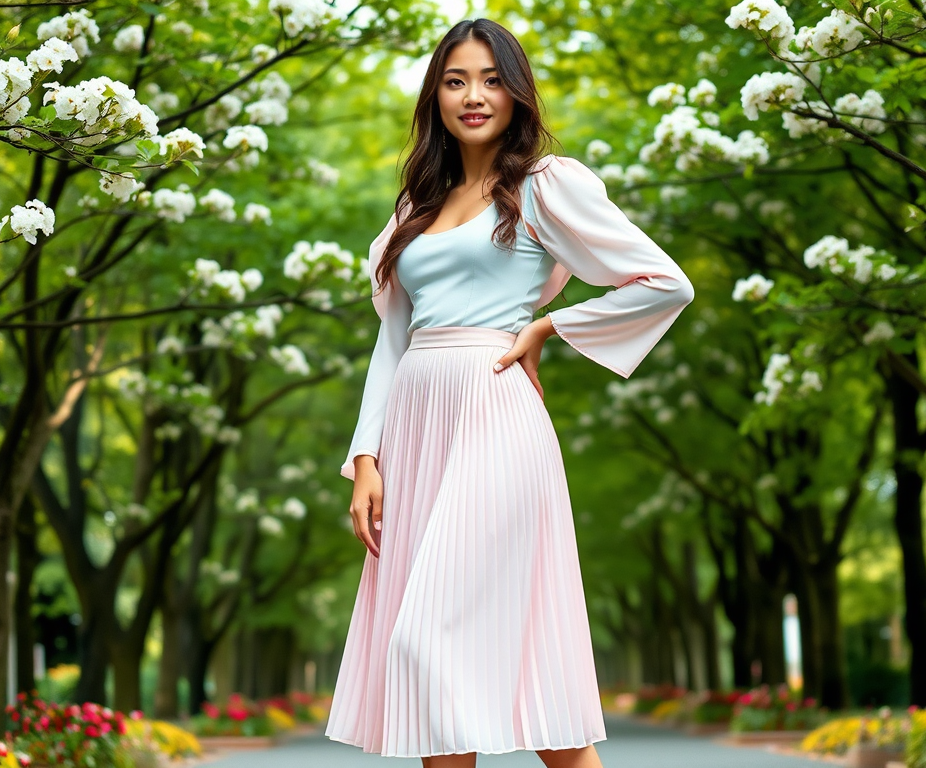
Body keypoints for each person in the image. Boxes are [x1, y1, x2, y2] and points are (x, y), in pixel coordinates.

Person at [324, 17, 694, 768]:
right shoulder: (412, 212)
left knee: (429, 644)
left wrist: (551, 327)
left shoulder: (544, 186)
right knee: (458, 690)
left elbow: (664, 282)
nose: (474, 95)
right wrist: (365, 457)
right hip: (416, 432)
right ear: (435, 96)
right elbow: (392, 342)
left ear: (517, 92)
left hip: (494, 417)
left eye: (492, 79)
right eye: (456, 80)